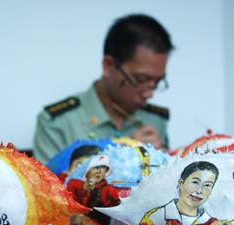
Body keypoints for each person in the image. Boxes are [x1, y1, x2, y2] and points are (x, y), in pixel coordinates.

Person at [33, 13, 174, 164]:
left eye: (157, 81)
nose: (149, 93)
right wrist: (122, 154)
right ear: (108, 65)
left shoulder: (155, 120)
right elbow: (46, 186)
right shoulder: (58, 123)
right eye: (140, 79)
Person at [67, 154, 130, 225]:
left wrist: (125, 194)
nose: (100, 171)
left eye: (104, 168)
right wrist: (83, 187)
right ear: (87, 172)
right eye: (96, 167)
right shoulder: (74, 184)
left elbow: (116, 194)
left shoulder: (106, 189)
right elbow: (70, 188)